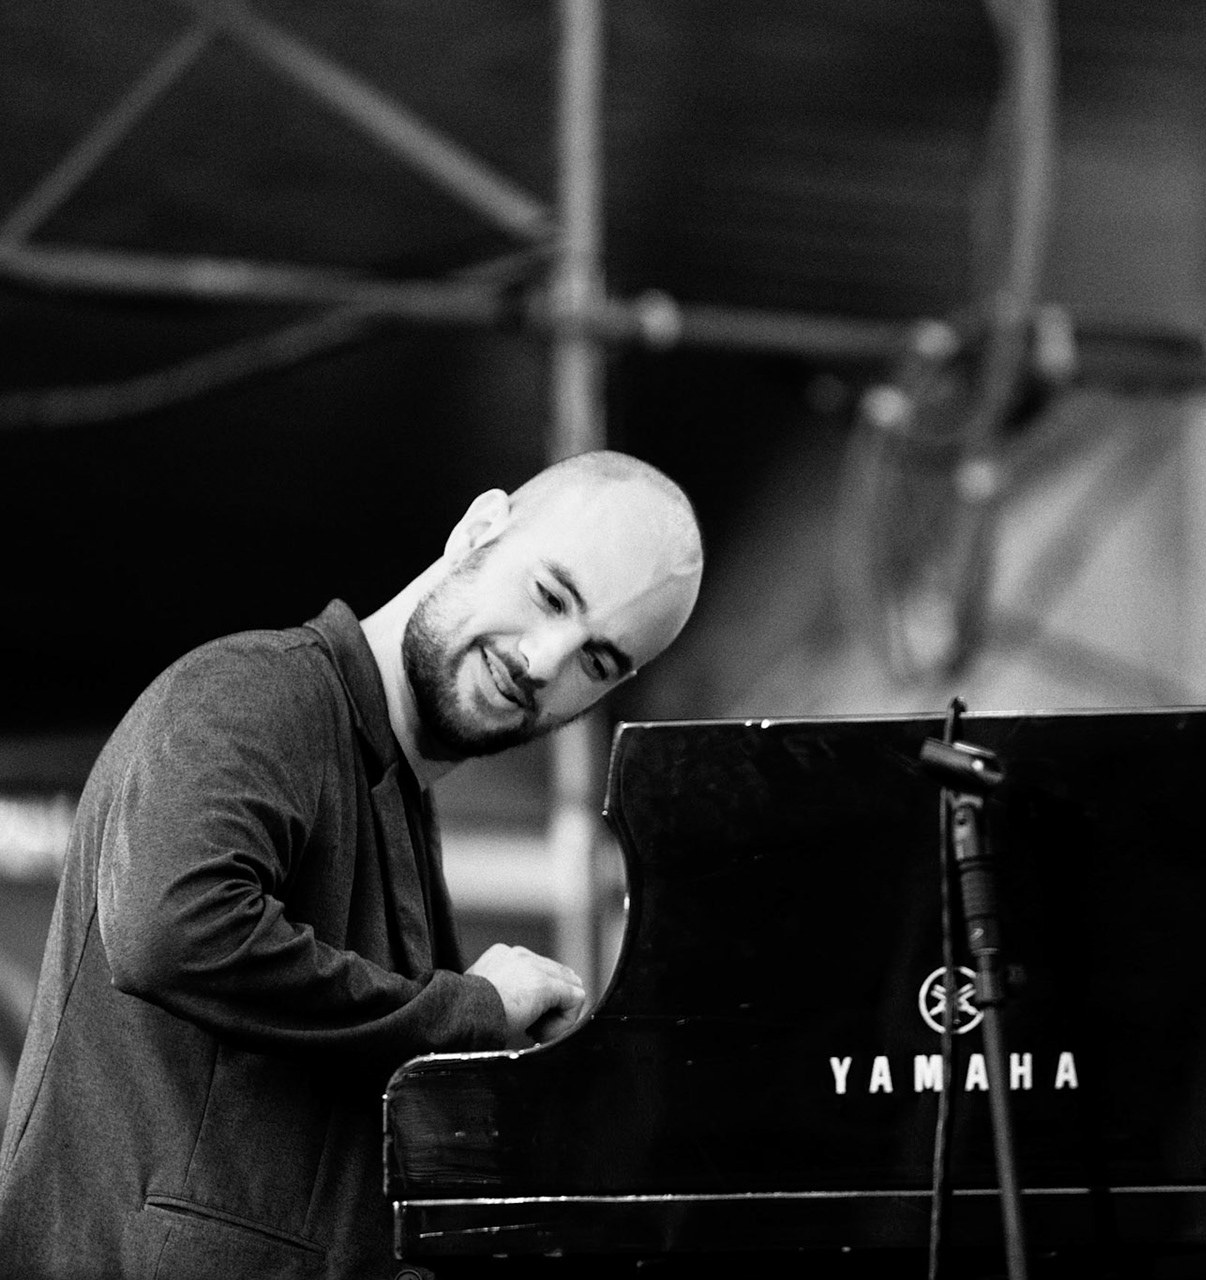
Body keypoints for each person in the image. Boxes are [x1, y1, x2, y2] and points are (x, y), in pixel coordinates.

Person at [0, 450, 703, 1280]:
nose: (544, 661)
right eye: (550, 595)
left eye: (598, 661)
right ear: (477, 530)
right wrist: (468, 1011)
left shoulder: (399, 803)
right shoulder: (259, 691)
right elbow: (172, 930)